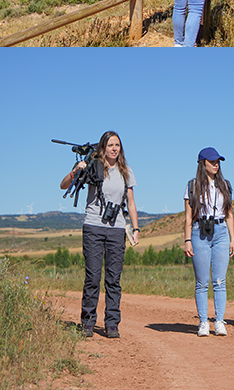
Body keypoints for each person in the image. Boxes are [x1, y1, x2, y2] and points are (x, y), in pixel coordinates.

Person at [59, 130, 139, 339]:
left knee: (113, 279)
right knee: (93, 277)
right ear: (103, 148)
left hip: (117, 229)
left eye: (118, 146)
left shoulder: (126, 171)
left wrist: (136, 228)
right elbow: (64, 185)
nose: (114, 149)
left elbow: (130, 202)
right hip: (93, 227)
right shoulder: (92, 166)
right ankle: (87, 322)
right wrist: (76, 170)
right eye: (111, 145)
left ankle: (112, 324)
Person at [182, 147, 234, 337]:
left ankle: (219, 321)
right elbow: (188, 217)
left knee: (220, 281)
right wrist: (187, 240)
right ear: (202, 163)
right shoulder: (192, 185)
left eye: (218, 161)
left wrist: (233, 239)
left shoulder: (225, 185)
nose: (216, 164)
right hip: (199, 232)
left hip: (221, 232)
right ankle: (203, 322)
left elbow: (229, 213)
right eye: (212, 161)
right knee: (202, 282)